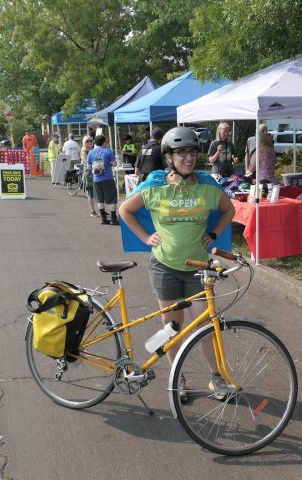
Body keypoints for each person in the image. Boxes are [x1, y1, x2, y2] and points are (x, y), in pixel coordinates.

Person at [118, 126, 235, 402]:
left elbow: (229, 210)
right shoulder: (155, 187)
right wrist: (146, 236)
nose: (189, 158)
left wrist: (214, 233)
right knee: (171, 328)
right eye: (181, 153)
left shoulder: (207, 186)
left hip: (198, 268)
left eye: (192, 152)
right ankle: (177, 377)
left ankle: (216, 378)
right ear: (169, 157)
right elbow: (125, 210)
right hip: (164, 267)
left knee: (206, 326)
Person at [87, 135, 118, 225]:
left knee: (100, 199)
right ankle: (113, 218)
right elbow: (114, 164)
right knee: (112, 199)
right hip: (108, 178)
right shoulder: (108, 151)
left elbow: (89, 167)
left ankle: (103, 219)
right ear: (104, 142)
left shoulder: (91, 153)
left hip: (96, 179)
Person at [81, 135, 98, 217]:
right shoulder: (84, 152)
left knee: (98, 192)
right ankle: (92, 211)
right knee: (91, 193)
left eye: (91, 140)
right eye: (87, 141)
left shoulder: (95, 150)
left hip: (97, 172)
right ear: (84, 143)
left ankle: (102, 210)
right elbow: (89, 162)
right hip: (89, 174)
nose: (90, 142)